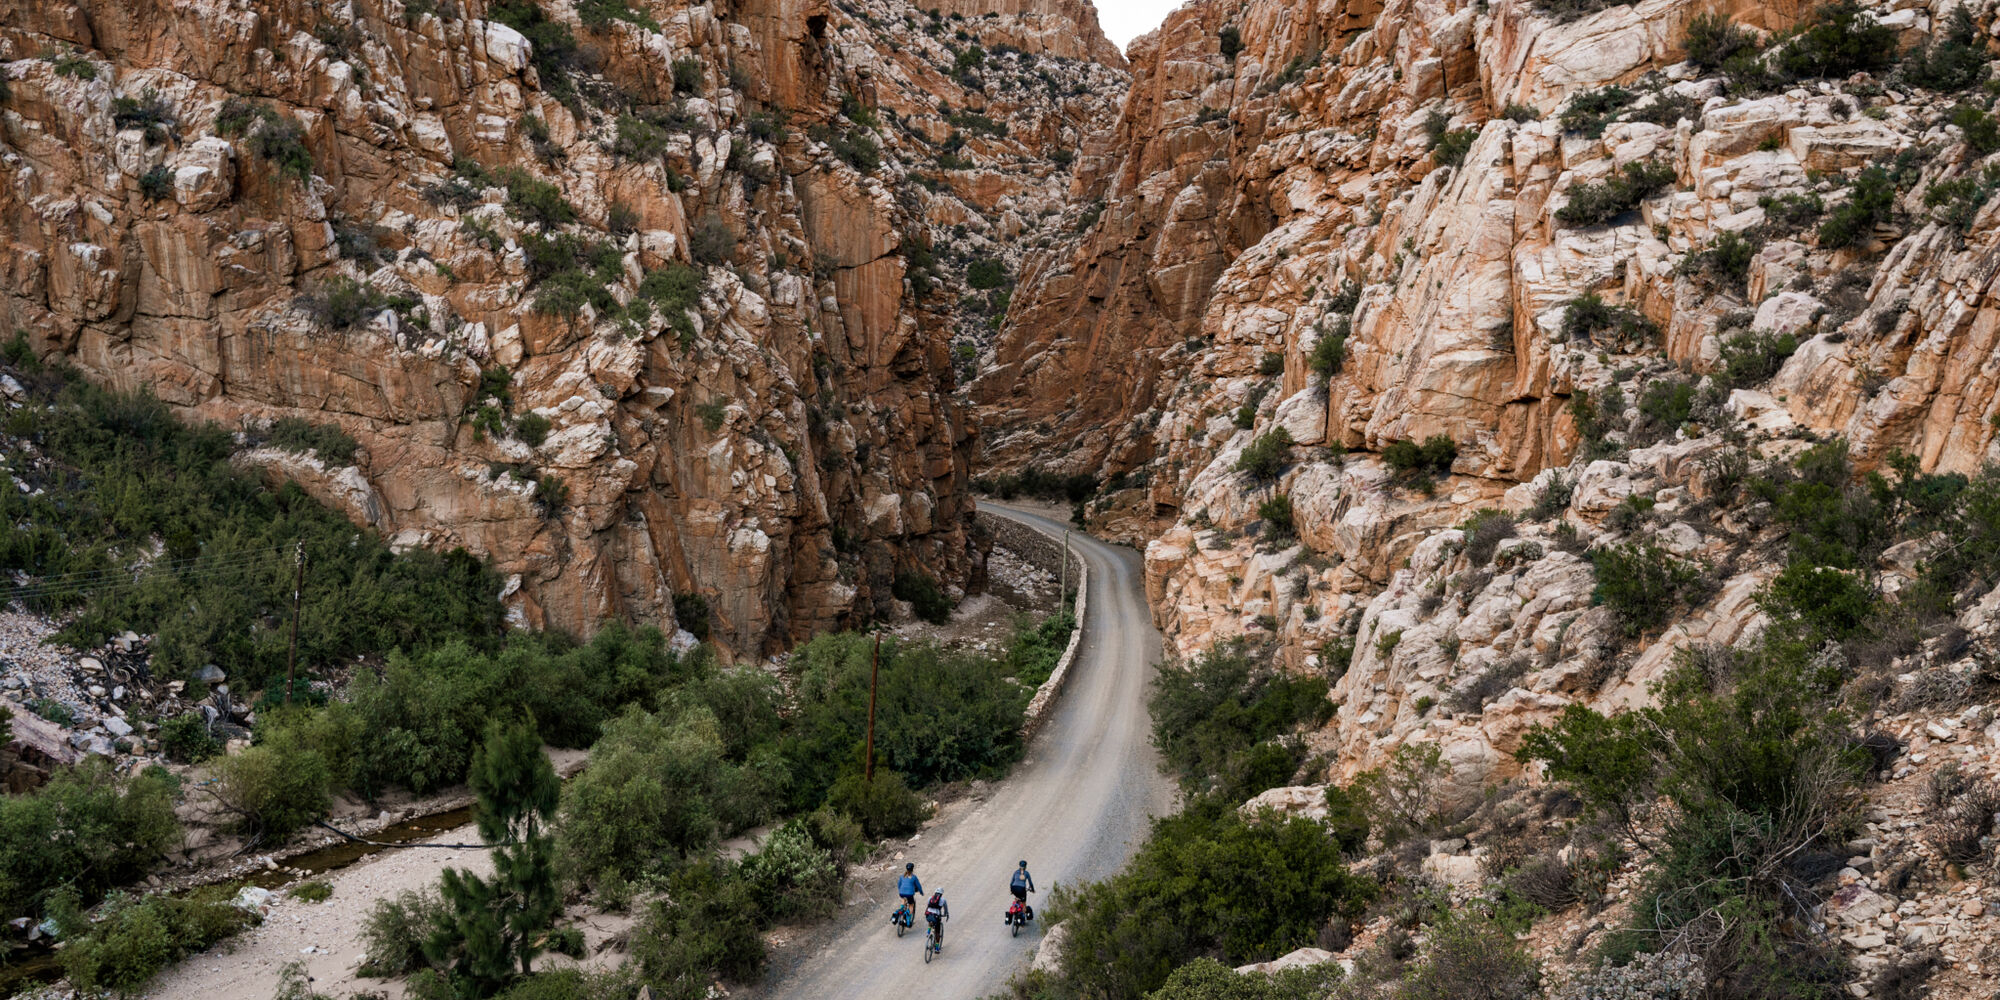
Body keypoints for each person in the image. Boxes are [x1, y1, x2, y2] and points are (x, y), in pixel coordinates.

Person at [896, 863, 922, 928]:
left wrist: (901, 890)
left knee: (903, 898)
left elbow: (899, 885)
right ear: (912, 869)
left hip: (902, 893)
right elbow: (918, 886)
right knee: (911, 905)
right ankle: (908, 917)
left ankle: (902, 908)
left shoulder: (902, 876)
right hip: (909, 894)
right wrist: (921, 892)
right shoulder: (914, 877)